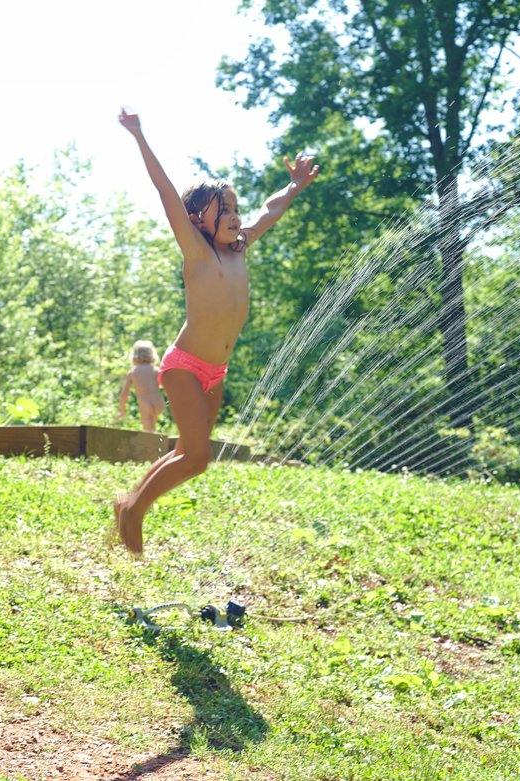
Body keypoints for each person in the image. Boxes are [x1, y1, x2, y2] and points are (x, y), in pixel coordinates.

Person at [113, 109, 318, 555]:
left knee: (189, 450)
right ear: (195, 218)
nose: (233, 214)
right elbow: (165, 190)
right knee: (198, 457)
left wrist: (295, 186)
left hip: (215, 371)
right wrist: (139, 135)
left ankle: (127, 503)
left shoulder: (241, 247)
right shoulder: (197, 252)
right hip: (184, 367)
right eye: (221, 209)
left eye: (235, 207)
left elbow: (270, 209)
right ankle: (134, 511)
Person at [116, 340, 165, 433]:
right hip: (159, 402)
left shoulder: (133, 372)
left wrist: (122, 410)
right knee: (153, 427)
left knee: (148, 431)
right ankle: (157, 443)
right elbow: (165, 385)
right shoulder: (156, 370)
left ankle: (153, 445)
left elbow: (124, 394)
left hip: (145, 404)